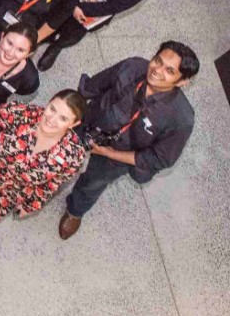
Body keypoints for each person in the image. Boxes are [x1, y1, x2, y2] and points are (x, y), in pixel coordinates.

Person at [59, 42, 198, 240]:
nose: (157, 70)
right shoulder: (133, 66)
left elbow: (159, 159)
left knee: (93, 182)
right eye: (158, 60)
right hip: (92, 120)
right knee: (58, 154)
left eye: (169, 70)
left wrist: (109, 153)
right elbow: (95, 85)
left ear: (182, 81)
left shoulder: (181, 118)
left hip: (118, 154)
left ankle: (75, 210)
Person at [0, 91, 87, 240]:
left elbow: (51, 185)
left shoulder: (74, 157)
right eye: (52, 109)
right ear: (48, 102)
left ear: (74, 124)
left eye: (63, 118)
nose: (52, 119)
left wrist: (31, 206)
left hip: (10, 190)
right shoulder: (15, 112)